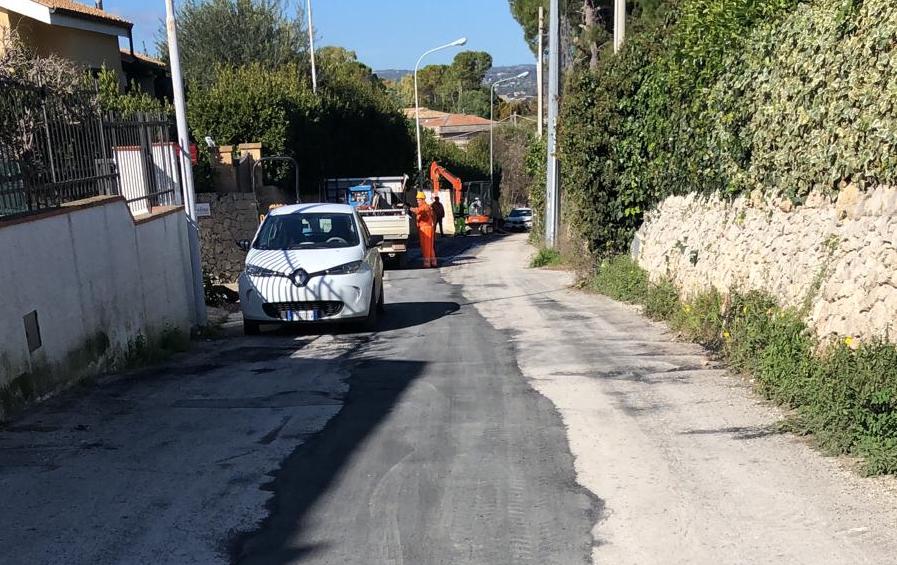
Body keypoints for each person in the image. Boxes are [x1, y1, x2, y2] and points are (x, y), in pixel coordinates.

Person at [411, 191, 437, 268]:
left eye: (419, 200)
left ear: (423, 200)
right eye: (417, 200)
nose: (417, 201)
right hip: (426, 228)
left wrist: (410, 208)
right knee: (429, 246)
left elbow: (418, 211)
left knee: (426, 246)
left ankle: (427, 263)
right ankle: (433, 261)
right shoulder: (425, 206)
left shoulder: (425, 206)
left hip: (425, 229)